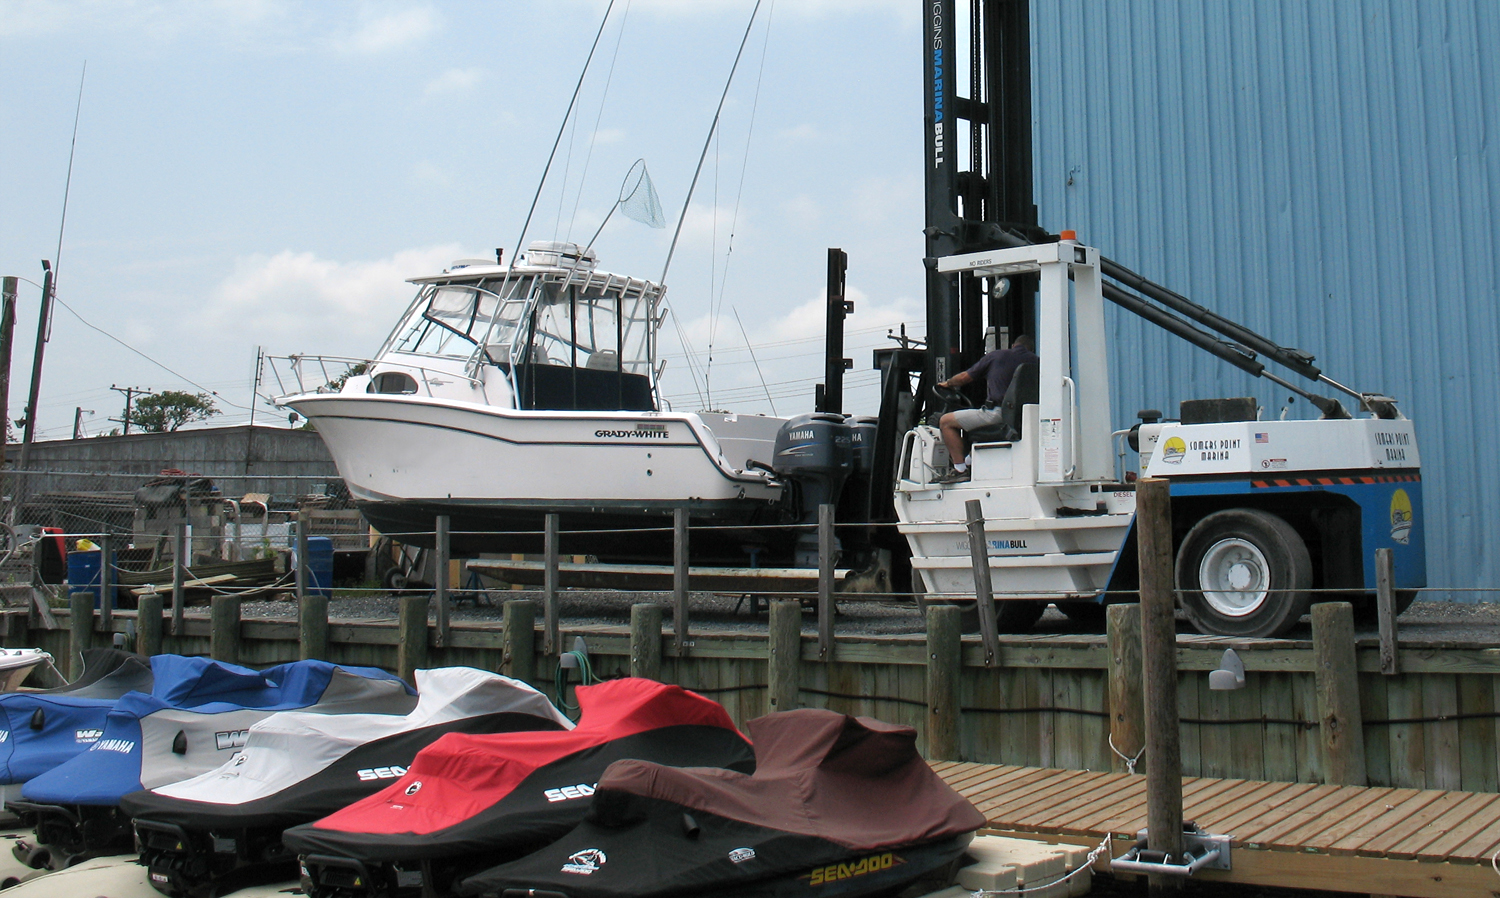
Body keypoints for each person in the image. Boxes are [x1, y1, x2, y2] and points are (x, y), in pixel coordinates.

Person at [934, 334, 1037, 483]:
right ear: (1030, 349)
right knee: (975, 419)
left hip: (997, 414)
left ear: (1014, 345)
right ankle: (969, 462)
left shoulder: (996, 356)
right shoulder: (1036, 361)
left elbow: (964, 378)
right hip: (1025, 418)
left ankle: (959, 470)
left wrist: (948, 383)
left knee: (946, 421)